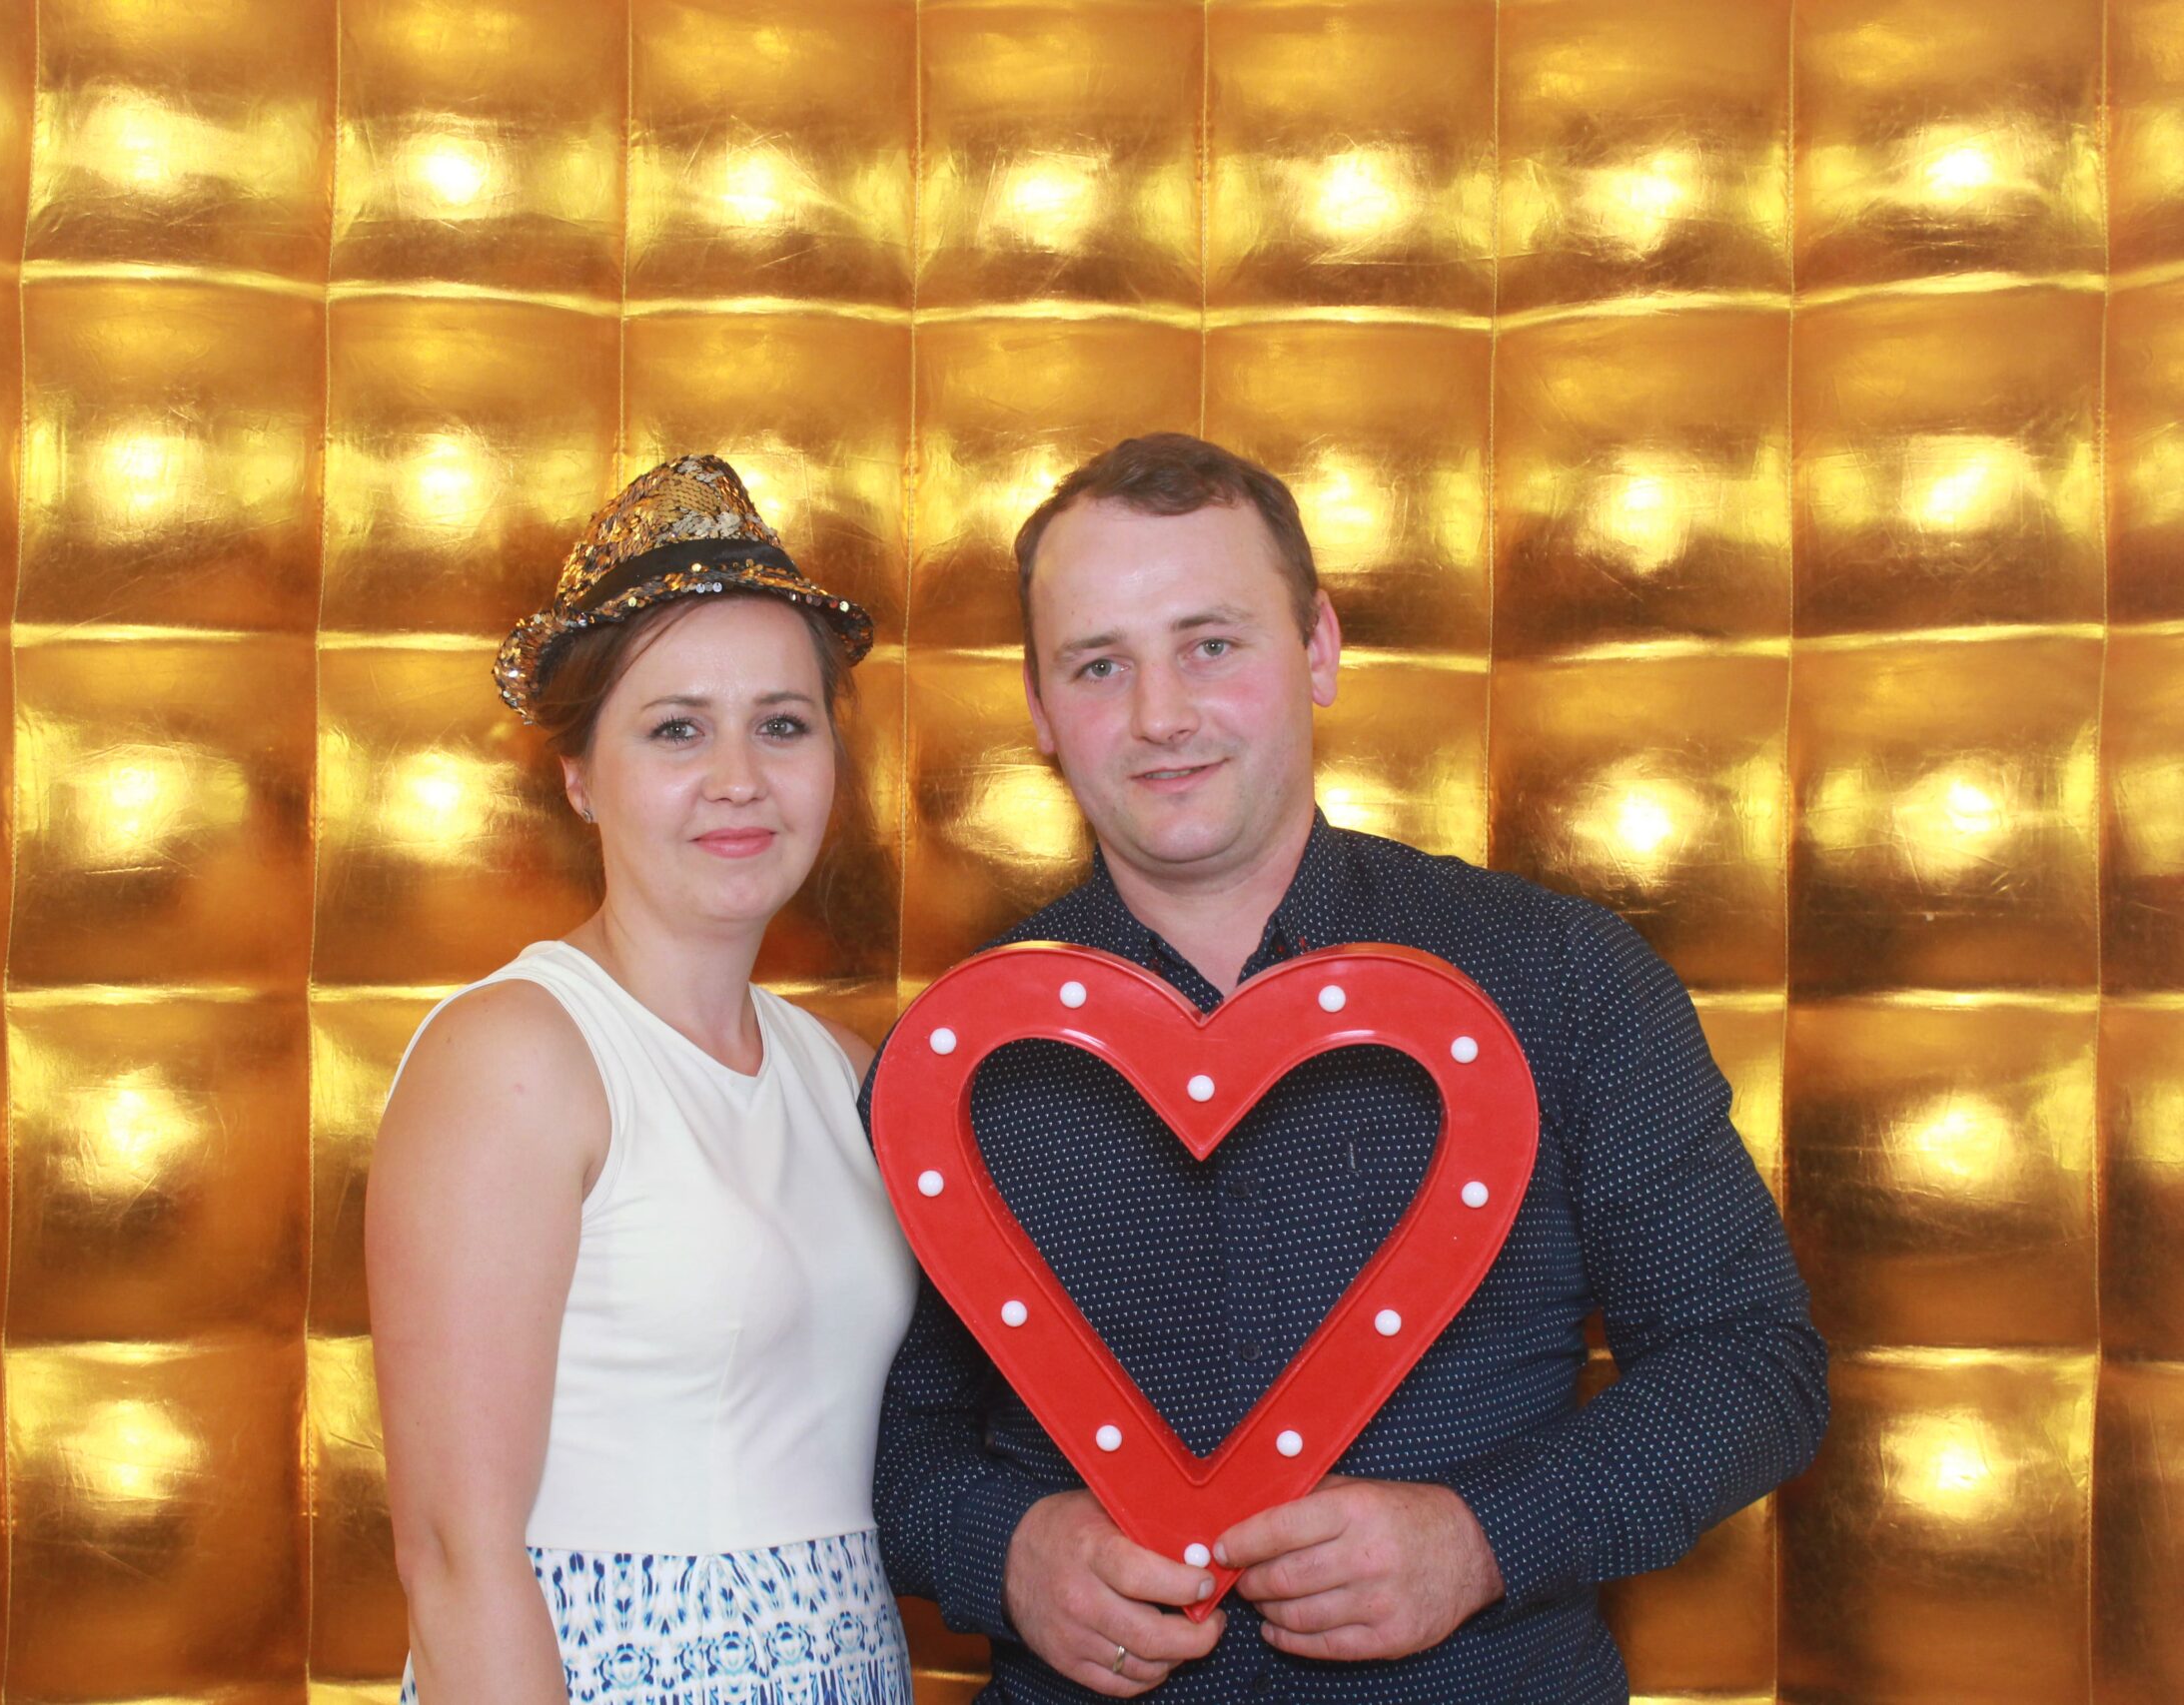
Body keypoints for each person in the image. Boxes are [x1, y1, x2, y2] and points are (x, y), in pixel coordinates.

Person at [869, 433, 1829, 1703]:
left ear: (1316, 647)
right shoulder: (949, 1064)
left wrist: (1483, 1538)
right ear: (1041, 713)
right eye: (1098, 665)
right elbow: (878, 1439)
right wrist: (1003, 1550)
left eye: (1211, 645)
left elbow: (1752, 1361)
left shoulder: (1566, 978)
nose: (1160, 716)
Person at [369, 454, 919, 1705]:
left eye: (782, 724)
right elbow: (454, 1558)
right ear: (579, 777)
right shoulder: (515, 1056)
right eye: (677, 729)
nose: (739, 776)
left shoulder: (841, 1072)